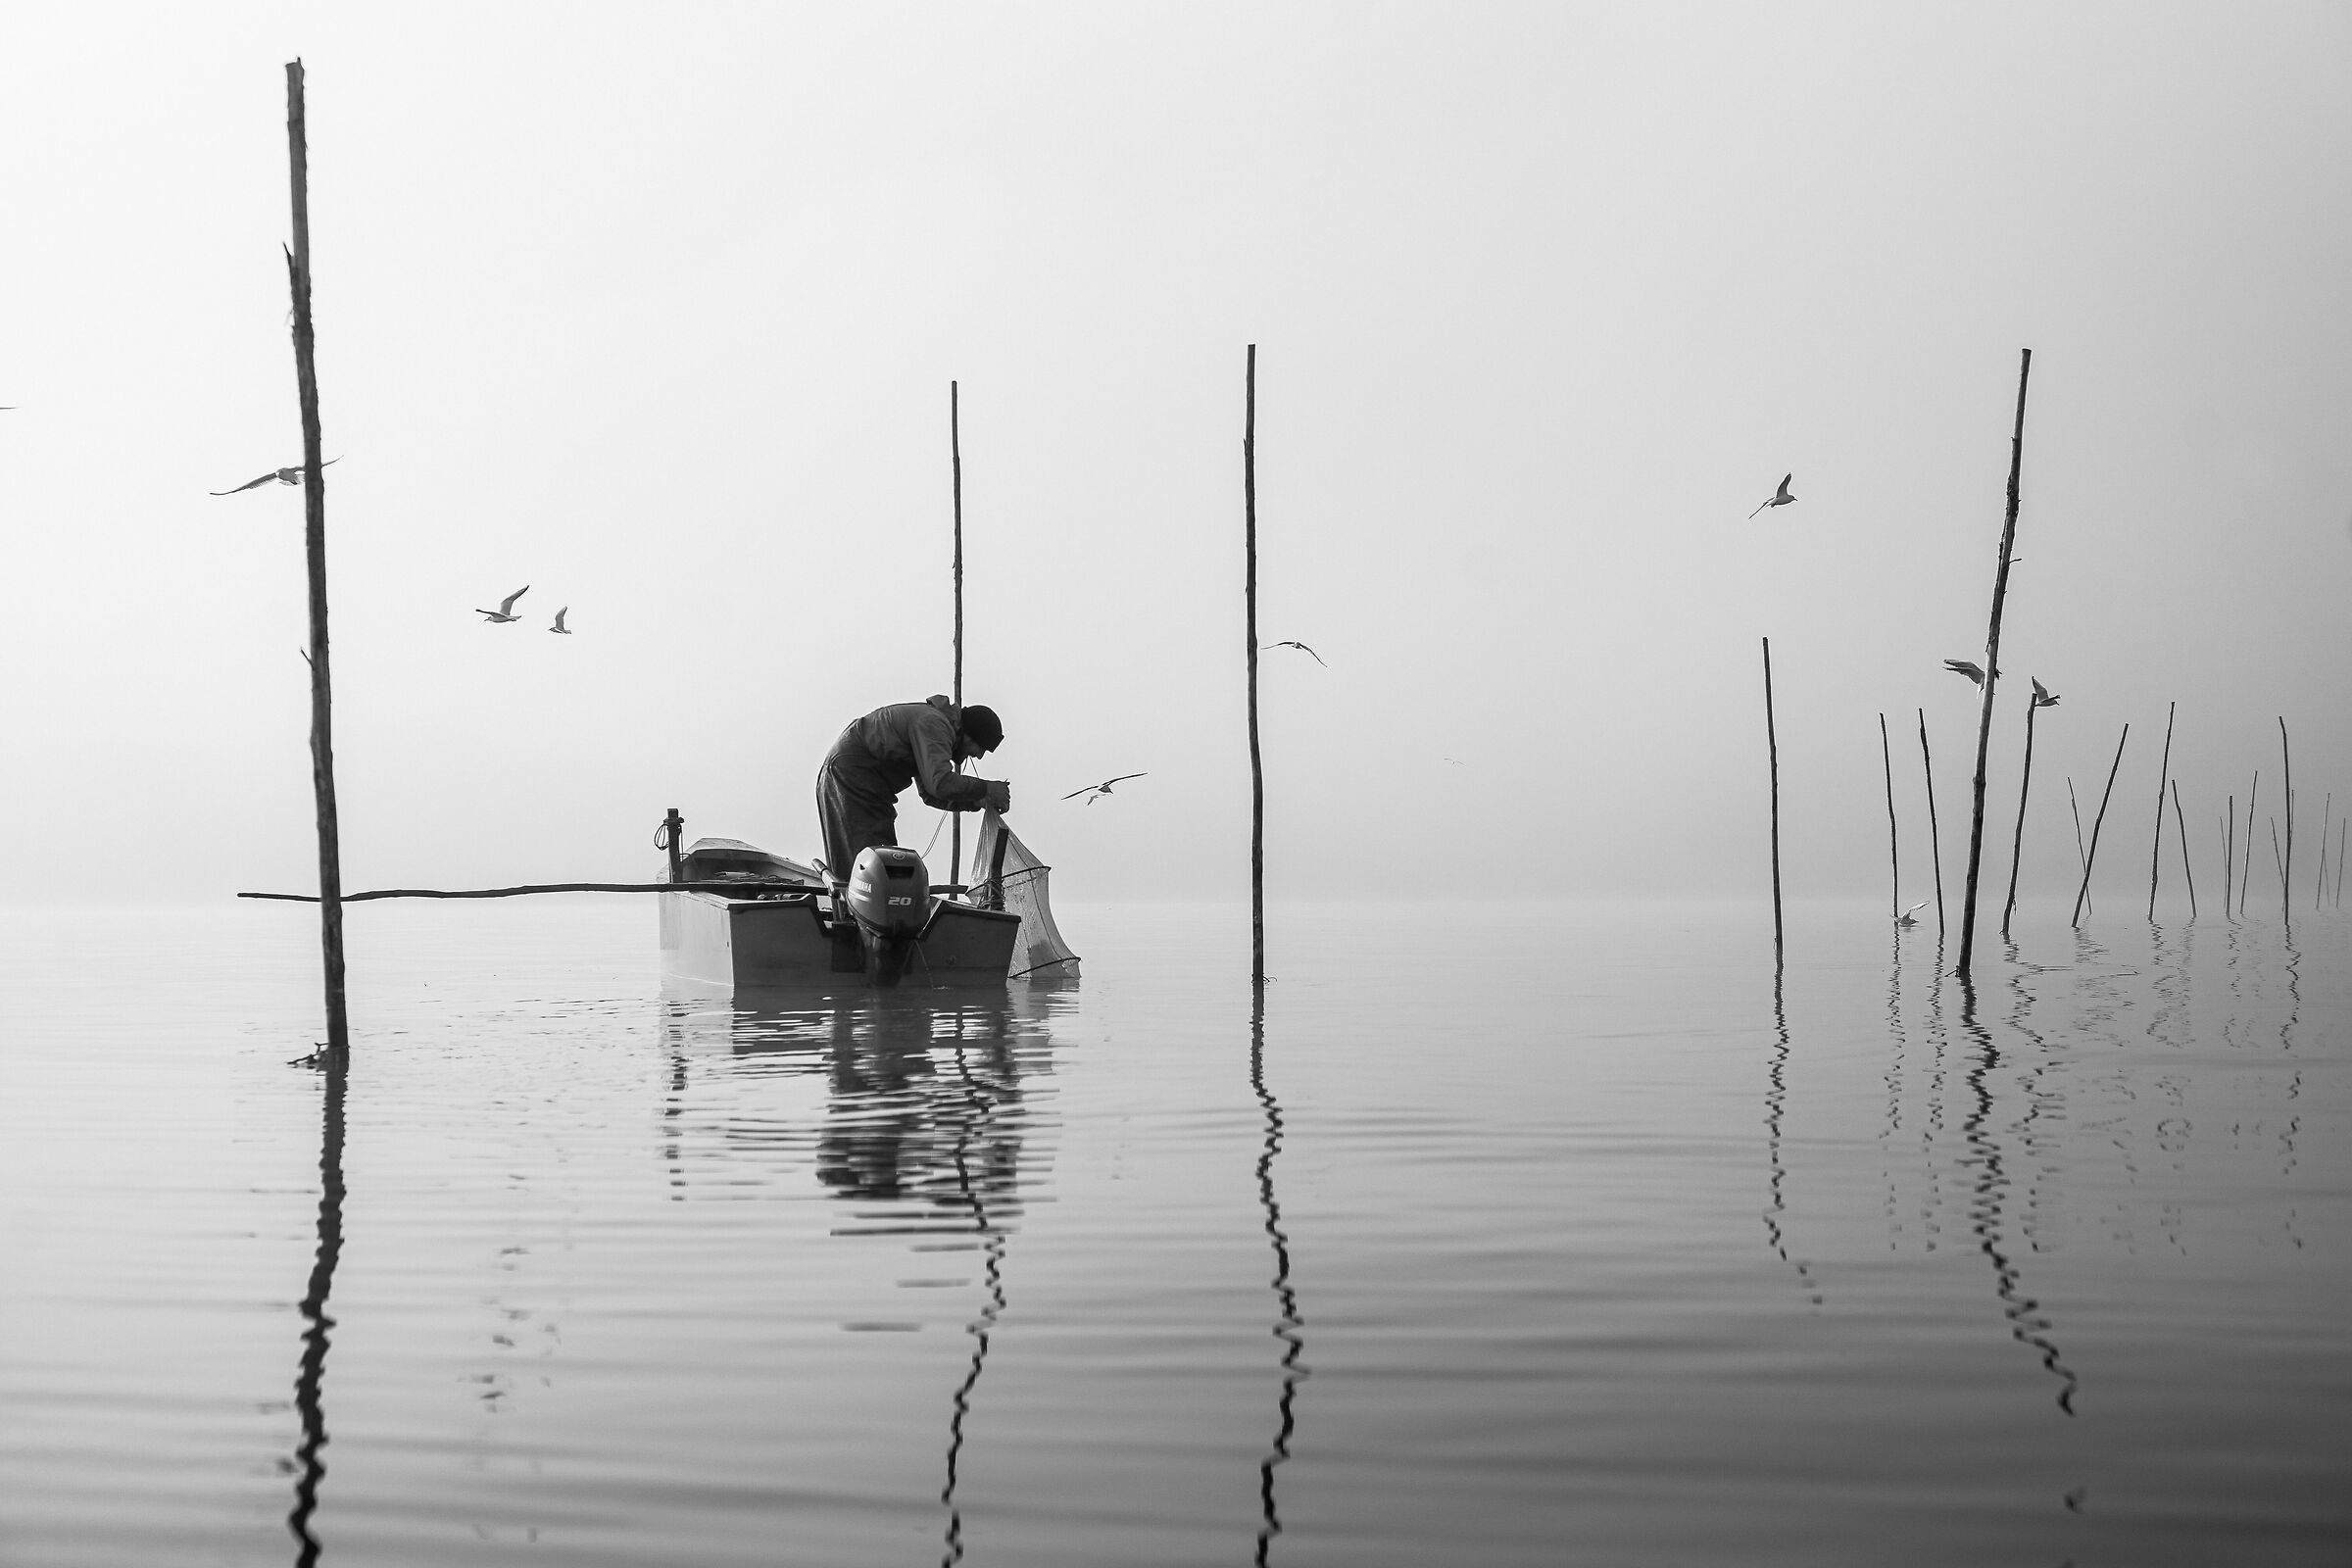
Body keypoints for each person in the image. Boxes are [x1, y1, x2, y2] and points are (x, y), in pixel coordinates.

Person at [814, 696, 1010, 882]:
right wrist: (986, 788)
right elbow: (940, 784)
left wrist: (976, 801)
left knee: (872, 863)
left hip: (853, 776)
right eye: (981, 748)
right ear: (968, 734)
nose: (979, 756)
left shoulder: (934, 725)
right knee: (873, 864)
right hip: (853, 774)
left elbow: (929, 793)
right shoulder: (935, 724)